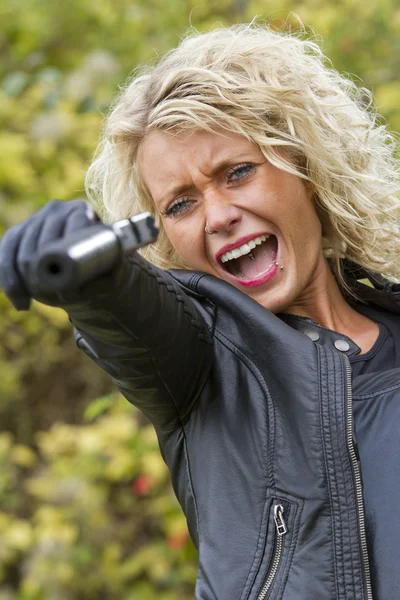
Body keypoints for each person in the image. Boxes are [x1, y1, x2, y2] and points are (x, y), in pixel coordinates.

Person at [1, 23, 400, 600]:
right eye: (181, 204)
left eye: (237, 173)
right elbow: (132, 314)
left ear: (303, 165)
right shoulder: (200, 366)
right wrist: (91, 274)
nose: (216, 216)